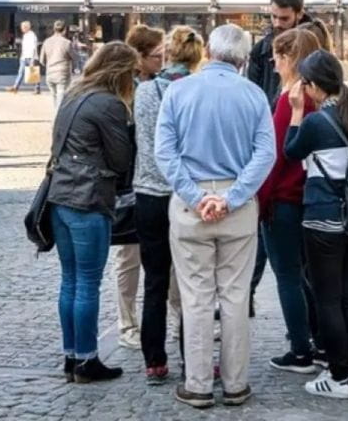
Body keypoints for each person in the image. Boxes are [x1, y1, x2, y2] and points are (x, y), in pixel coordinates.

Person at [155, 24, 276, 409]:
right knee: (236, 296)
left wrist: (195, 196)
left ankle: (198, 383)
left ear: (208, 50)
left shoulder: (178, 91)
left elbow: (165, 154)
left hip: (192, 204)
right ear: (244, 58)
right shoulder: (254, 95)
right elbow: (265, 155)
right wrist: (233, 197)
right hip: (237, 205)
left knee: (196, 297)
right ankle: (236, 383)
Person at [285, 50, 348, 399]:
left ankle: (338, 377)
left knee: (327, 300)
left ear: (312, 86)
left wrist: (297, 112)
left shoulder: (315, 122)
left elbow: (291, 152)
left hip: (323, 218)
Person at [46, 41, 136, 384]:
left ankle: (71, 355)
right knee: (87, 283)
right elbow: (120, 159)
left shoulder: (72, 94)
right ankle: (87, 360)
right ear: (122, 72)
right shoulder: (108, 103)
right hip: (88, 200)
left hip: (60, 198)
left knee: (69, 280)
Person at [133, 26, 203, 385]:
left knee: (155, 281)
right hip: (186, 193)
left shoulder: (145, 91)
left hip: (148, 193)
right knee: (193, 283)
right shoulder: (196, 91)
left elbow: (140, 140)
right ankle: (194, 359)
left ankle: (154, 360)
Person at [256, 29, 325, 375]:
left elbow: (276, 156)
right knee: (304, 276)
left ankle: (300, 349)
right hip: (307, 197)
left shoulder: (290, 101)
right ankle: (318, 339)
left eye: (278, 56)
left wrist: (260, 202)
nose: (274, 63)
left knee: (288, 277)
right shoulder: (318, 96)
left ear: (289, 59)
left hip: (284, 198)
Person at [247, 0, 313, 316]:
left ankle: (303, 343)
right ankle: (246, 293)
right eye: (273, 16)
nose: (277, 23)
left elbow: (289, 150)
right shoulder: (263, 47)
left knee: (292, 269)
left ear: (299, 13)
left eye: (283, 18)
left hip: (287, 181)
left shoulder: (309, 49)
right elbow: (254, 89)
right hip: (271, 128)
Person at [112, 24, 166, 350]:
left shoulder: (162, 85)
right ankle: (127, 324)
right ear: (140, 58)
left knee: (163, 262)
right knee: (128, 258)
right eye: (157, 57)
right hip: (130, 183)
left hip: (156, 183)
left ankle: (173, 320)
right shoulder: (124, 92)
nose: (163, 61)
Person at [40, 20, 80, 111]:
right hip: (62, 73)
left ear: (54, 29)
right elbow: (76, 58)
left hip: (50, 73)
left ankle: (56, 116)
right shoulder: (66, 43)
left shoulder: (47, 42)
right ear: (65, 30)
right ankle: (58, 119)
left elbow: (42, 60)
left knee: (54, 97)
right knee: (61, 98)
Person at [7, 20, 40, 94]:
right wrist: (22, 56)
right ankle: (15, 87)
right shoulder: (25, 35)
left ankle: (37, 89)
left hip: (30, 57)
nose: (21, 29)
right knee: (21, 72)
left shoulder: (32, 35)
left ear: (27, 27)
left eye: (22, 27)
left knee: (33, 73)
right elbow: (24, 47)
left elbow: (33, 48)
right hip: (24, 57)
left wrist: (32, 59)